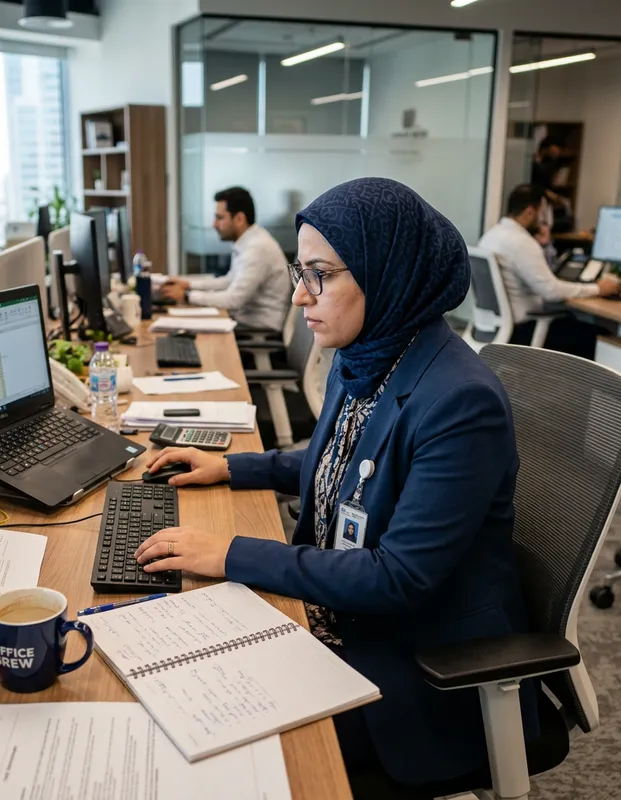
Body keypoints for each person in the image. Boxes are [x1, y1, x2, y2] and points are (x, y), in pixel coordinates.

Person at [134, 178, 540, 792]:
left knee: (213, 748)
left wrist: (229, 554)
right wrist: (234, 466)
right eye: (301, 271)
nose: (300, 296)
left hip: (415, 669)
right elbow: (342, 462)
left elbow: (395, 577)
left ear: (386, 271)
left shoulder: (460, 402)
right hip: (338, 618)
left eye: (320, 274)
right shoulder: (373, 353)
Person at [479, 184, 619, 359]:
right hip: (527, 329)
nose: (543, 219)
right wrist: (598, 289)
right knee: (599, 334)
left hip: (498, 326)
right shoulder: (521, 242)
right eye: (542, 212)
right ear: (530, 211)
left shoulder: (491, 236)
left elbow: (541, 276)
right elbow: (550, 290)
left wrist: (544, 246)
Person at [160, 187, 290, 331]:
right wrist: (189, 285)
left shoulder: (257, 248)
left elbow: (233, 300)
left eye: (220, 218)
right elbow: (229, 281)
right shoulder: (249, 242)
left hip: (258, 330)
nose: (214, 225)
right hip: (246, 323)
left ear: (239, 219)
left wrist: (186, 295)